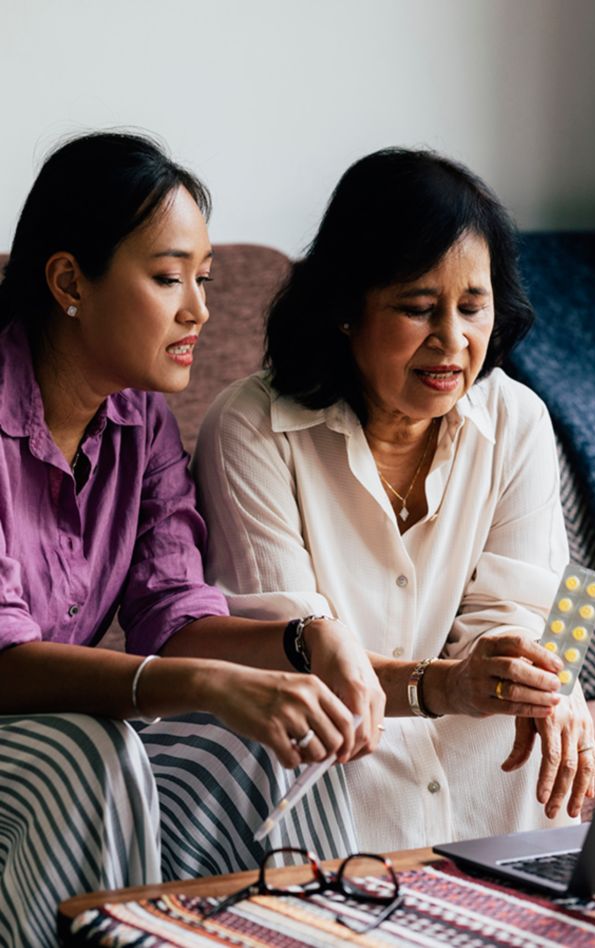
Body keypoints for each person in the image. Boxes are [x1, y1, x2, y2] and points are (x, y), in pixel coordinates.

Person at [0, 131, 385, 947]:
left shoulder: (141, 420)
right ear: (69, 280)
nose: (200, 310)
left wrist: (309, 641)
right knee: (90, 756)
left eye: (204, 280)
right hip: (38, 727)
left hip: (45, 724)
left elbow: (174, 618)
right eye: (169, 277)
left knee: (260, 743)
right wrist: (207, 685)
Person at [193, 147, 595, 856]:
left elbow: (547, 604)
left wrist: (546, 682)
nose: (453, 340)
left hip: (486, 753)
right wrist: (448, 685)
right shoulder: (249, 428)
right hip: (329, 751)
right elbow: (287, 645)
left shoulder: (518, 419)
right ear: (346, 309)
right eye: (418, 308)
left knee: (549, 712)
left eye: (473, 307)